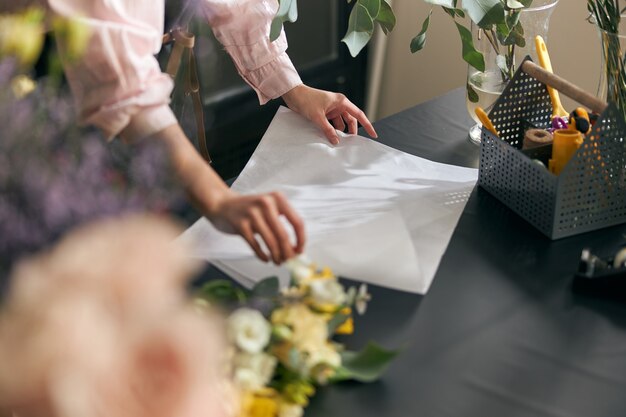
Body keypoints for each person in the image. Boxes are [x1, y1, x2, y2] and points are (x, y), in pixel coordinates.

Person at [48, 0, 378, 265]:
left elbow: (237, 6)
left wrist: (295, 89)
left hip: (143, 86)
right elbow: (118, 79)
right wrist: (217, 197)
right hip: (49, 93)